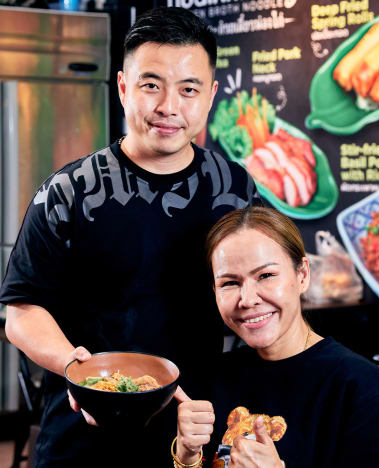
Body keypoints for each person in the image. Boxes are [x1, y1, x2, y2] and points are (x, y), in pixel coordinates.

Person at [0, 7, 258, 466]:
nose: (168, 107)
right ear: (123, 87)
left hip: (194, 438)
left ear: (211, 95)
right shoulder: (70, 191)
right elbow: (21, 312)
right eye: (151, 84)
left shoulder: (235, 190)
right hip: (82, 439)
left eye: (189, 89)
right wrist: (79, 370)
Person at [172, 206, 379, 468]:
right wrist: (187, 455)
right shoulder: (214, 377)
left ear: (302, 275)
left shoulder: (360, 387)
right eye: (230, 283)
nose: (247, 299)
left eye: (266, 276)